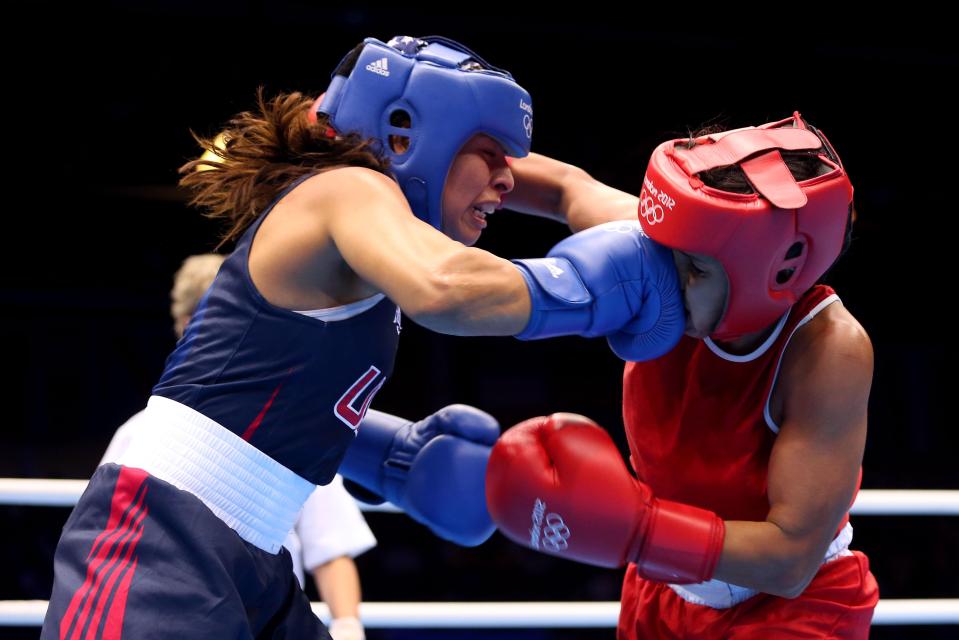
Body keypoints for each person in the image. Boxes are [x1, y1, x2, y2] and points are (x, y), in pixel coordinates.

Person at [42, 35, 685, 639]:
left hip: (251, 554)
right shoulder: (348, 188)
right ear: (404, 136)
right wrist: (604, 284)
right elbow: (448, 290)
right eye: (488, 153)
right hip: (158, 538)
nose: (508, 181)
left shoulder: (364, 226)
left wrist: (693, 241)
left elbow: (569, 189)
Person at [487, 112, 880, 639]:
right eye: (663, 251)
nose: (664, 282)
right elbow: (564, 189)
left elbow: (791, 560)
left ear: (775, 273)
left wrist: (637, 529)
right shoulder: (666, 248)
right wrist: (420, 155)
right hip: (664, 587)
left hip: (790, 608)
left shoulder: (827, 349)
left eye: (693, 271)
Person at [99, 254, 375, 640]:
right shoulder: (140, 432)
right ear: (186, 327)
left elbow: (329, 544)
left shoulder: (295, 430)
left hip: (260, 620)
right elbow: (105, 548)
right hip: (159, 618)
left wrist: (348, 626)